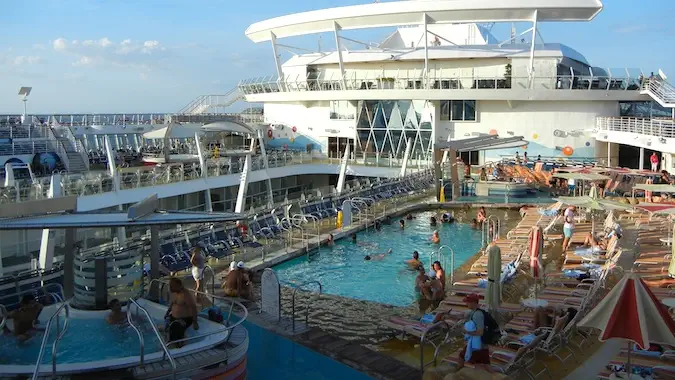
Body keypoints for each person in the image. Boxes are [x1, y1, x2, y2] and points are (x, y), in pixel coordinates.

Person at [456, 294, 492, 373]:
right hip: (481, 344)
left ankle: (456, 373)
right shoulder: (475, 312)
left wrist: (466, 332)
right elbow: (462, 316)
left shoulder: (477, 315)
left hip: (477, 344)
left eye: (468, 302)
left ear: (473, 303)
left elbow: (480, 332)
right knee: (485, 364)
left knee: (462, 357)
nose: (466, 304)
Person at [164, 278, 199, 347]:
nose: (170, 287)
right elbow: (172, 304)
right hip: (173, 317)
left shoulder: (186, 294)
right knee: (165, 329)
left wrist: (195, 322)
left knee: (176, 328)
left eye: (172, 286)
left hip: (185, 318)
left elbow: (193, 308)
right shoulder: (174, 293)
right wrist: (167, 313)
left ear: (178, 285)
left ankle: (179, 345)